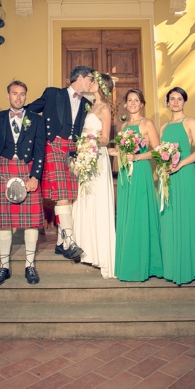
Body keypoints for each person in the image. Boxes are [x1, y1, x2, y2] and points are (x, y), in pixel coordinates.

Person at [26, 65, 94, 260]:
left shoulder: (85, 103)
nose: (91, 82)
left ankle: (60, 243)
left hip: (72, 151)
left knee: (70, 196)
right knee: (62, 194)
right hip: (54, 146)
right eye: (90, 78)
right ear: (80, 78)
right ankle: (70, 241)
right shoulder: (54, 93)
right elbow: (30, 110)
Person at [0, 80, 46, 285]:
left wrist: (35, 176)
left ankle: (29, 265)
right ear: (8, 96)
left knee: (31, 223)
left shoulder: (36, 120)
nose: (18, 97)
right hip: (5, 168)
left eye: (22, 94)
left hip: (27, 169)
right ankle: (4, 267)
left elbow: (40, 149)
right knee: (4, 223)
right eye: (14, 93)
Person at [158, 87, 195, 285]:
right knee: (170, 219)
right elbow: (160, 152)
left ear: (184, 102)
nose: (175, 102)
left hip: (185, 173)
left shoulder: (190, 122)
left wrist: (180, 164)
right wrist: (164, 166)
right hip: (169, 177)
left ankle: (190, 266)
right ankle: (173, 266)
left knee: (187, 218)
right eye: (172, 99)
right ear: (167, 102)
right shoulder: (163, 127)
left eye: (179, 99)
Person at [110, 89, 164, 282]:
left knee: (140, 215)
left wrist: (138, 156)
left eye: (136, 100)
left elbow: (158, 151)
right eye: (130, 100)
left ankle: (145, 264)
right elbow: (119, 151)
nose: (133, 103)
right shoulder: (124, 126)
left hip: (140, 172)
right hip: (126, 175)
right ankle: (129, 262)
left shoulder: (147, 123)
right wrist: (101, 151)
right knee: (127, 216)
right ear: (125, 104)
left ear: (142, 104)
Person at [71, 71, 116, 278]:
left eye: (94, 82)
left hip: (97, 158)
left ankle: (100, 253)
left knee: (97, 200)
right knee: (85, 199)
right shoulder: (89, 106)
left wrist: (89, 140)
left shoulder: (105, 108)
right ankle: (85, 249)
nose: (90, 83)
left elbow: (106, 138)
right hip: (86, 157)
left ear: (102, 86)